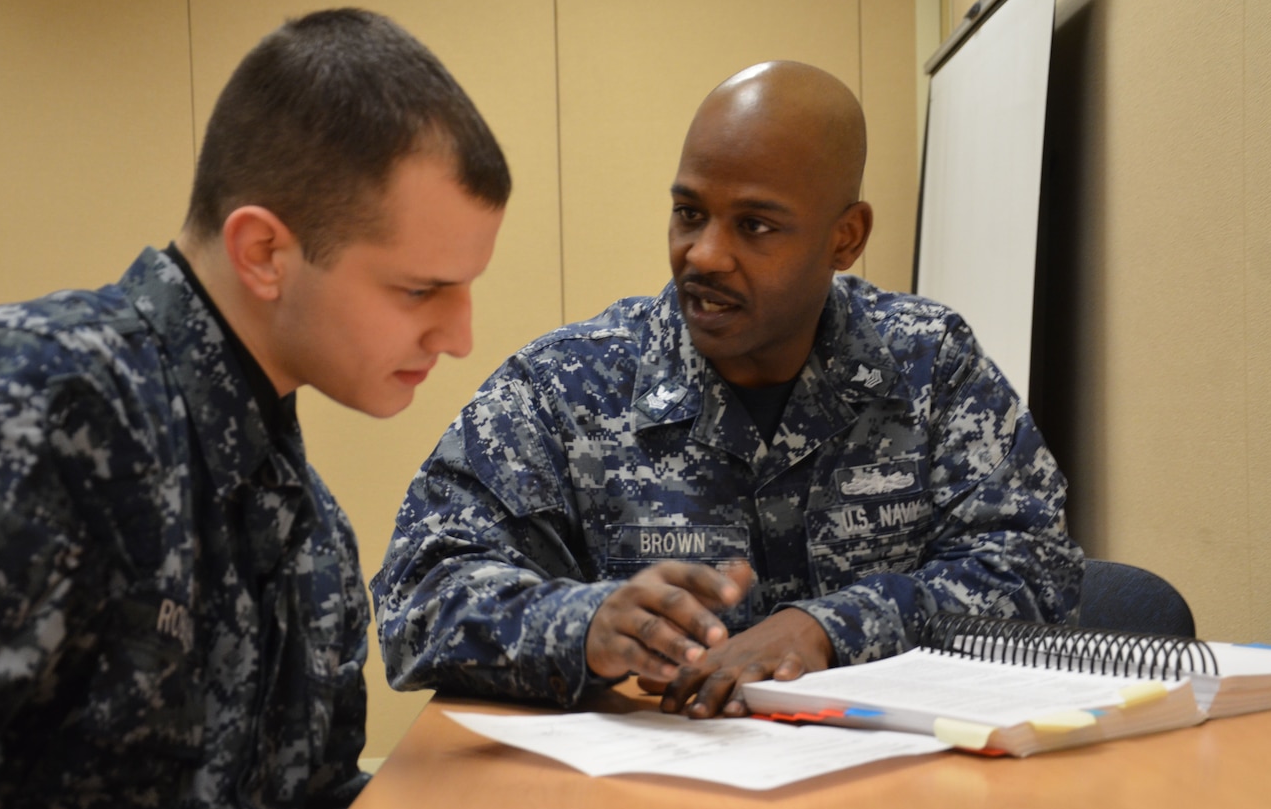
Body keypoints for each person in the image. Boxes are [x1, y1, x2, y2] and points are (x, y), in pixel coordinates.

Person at [0, 8, 507, 809]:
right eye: (421, 289)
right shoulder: (21, 418)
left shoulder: (307, 530)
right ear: (264, 252)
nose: (460, 336)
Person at [373, 60, 1079, 721]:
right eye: (688, 213)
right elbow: (417, 597)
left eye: (755, 225)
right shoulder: (567, 388)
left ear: (845, 237)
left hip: (895, 802)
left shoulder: (930, 366)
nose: (703, 255)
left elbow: (1035, 568)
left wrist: (833, 626)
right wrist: (587, 624)